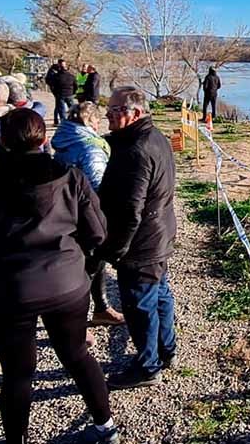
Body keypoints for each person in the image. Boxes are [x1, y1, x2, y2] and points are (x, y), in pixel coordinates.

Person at [0, 109, 118, 444]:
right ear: (44, 139)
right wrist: (80, 262)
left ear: (2, 141)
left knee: (17, 372)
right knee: (77, 355)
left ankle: (17, 439)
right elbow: (98, 233)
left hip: (8, 290)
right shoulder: (71, 178)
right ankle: (106, 426)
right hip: (66, 283)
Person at [97, 87, 178, 389]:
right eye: (108, 108)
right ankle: (166, 351)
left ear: (136, 113)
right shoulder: (154, 137)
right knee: (159, 295)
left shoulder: (136, 150)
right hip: (159, 234)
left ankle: (147, 366)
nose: (108, 114)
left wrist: (116, 249)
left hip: (142, 243)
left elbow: (131, 210)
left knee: (141, 305)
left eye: (115, 109)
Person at [51, 102, 124, 327]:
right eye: (97, 120)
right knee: (89, 265)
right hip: (86, 213)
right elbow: (97, 183)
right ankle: (76, 320)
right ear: (90, 121)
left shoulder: (64, 139)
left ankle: (100, 307)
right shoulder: (90, 146)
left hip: (64, 208)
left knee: (88, 263)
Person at [49, 61, 77, 127]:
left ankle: (64, 123)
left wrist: (55, 93)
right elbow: (76, 85)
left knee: (62, 110)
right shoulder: (71, 76)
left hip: (60, 95)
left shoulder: (56, 76)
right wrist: (73, 92)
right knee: (72, 108)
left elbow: (52, 85)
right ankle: (74, 120)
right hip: (69, 94)